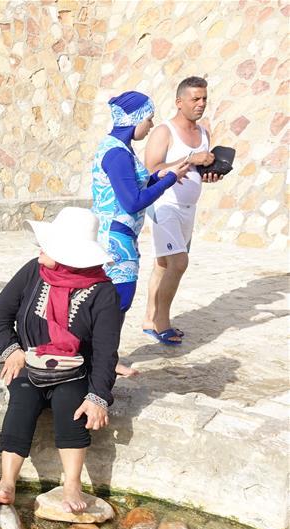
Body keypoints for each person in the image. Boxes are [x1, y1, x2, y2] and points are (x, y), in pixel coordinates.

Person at [0, 207, 121, 513]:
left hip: (74, 369)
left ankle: (72, 483)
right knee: (21, 403)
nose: (39, 254)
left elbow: (105, 350)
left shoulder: (103, 294)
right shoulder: (33, 273)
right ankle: (8, 481)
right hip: (29, 363)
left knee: (70, 407)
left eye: (47, 248)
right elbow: (0, 317)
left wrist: (99, 396)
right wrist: (12, 350)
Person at [90, 91, 191, 376]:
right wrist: (169, 179)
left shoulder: (118, 148)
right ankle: (104, 363)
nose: (150, 125)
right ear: (134, 119)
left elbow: (134, 182)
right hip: (116, 242)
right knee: (117, 302)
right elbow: (132, 201)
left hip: (119, 236)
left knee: (112, 303)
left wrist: (159, 176)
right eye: (148, 119)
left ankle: (103, 359)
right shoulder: (117, 154)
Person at [143, 76, 223, 344]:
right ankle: (161, 323)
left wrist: (210, 174)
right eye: (195, 99)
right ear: (180, 102)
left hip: (189, 208)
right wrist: (189, 158)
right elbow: (152, 169)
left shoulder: (204, 133)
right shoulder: (164, 132)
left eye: (204, 99)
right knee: (179, 262)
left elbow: (198, 170)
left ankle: (148, 318)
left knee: (163, 263)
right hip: (164, 205)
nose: (201, 104)